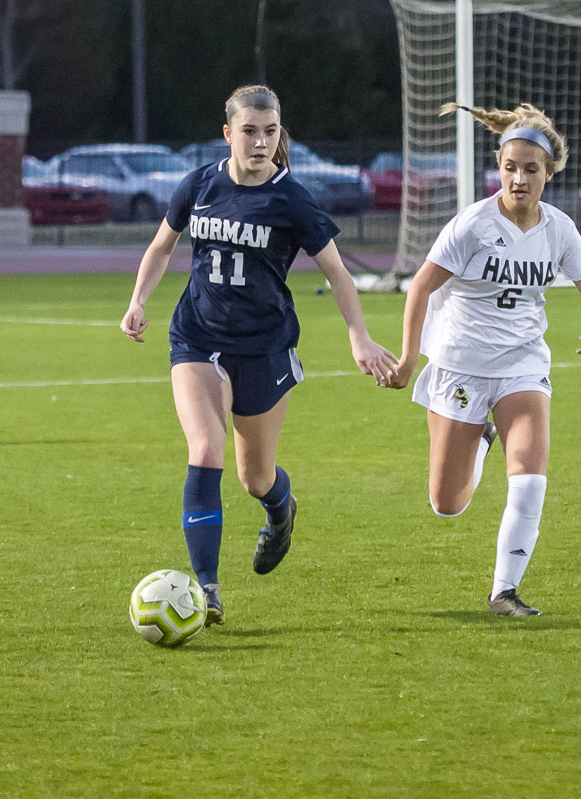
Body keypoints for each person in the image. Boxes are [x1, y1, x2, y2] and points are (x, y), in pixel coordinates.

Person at [120, 85, 397, 627]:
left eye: (270, 132)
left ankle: (280, 512)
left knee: (255, 478)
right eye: (250, 131)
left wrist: (358, 335)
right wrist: (137, 301)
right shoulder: (199, 184)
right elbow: (161, 245)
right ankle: (207, 589)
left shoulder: (291, 198)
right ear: (229, 134)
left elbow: (337, 273)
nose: (261, 142)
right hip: (197, 338)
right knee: (205, 447)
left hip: (265, 348)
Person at [386, 102, 581, 616]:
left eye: (531, 169)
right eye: (510, 168)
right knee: (447, 504)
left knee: (530, 479)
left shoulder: (558, 230)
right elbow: (419, 288)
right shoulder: (471, 225)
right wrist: (406, 359)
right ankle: (480, 440)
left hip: (522, 366)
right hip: (459, 366)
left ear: (549, 173)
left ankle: (503, 591)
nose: (518, 178)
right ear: (499, 168)